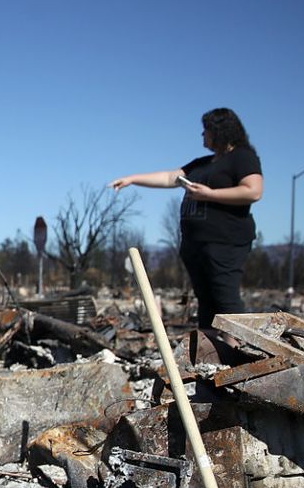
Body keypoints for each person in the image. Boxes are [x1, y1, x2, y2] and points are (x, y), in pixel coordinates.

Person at [110, 107, 264, 331]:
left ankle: (237, 349)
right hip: (194, 243)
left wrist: (209, 194)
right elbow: (169, 177)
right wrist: (132, 179)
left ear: (219, 131)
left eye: (206, 131)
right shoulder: (202, 163)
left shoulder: (242, 157)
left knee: (225, 296)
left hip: (224, 241)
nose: (202, 135)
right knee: (205, 298)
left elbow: (253, 190)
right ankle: (210, 353)